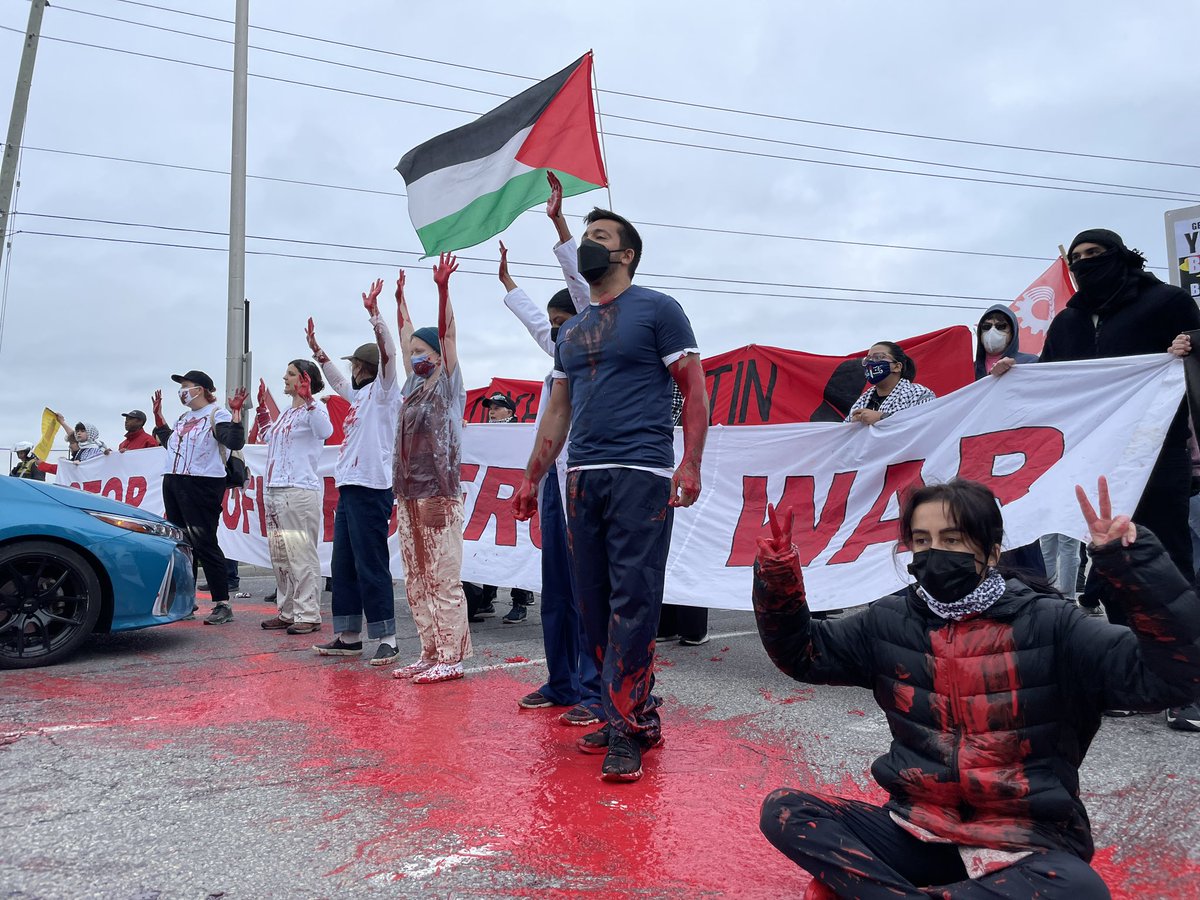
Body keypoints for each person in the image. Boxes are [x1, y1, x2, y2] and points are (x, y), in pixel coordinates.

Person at [753, 478, 1200, 899]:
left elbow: (1176, 676)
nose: (934, 553)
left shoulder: (1052, 625)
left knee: (1078, 889)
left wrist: (1133, 566)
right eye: (922, 541)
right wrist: (778, 574)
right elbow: (804, 654)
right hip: (917, 829)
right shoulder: (887, 621)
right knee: (787, 810)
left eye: (952, 540)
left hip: (1023, 843)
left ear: (992, 550)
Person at [513, 207, 709, 782]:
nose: (587, 245)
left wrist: (690, 462)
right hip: (582, 476)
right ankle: (626, 710)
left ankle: (628, 727)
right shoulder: (571, 331)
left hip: (640, 472)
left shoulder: (659, 310)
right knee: (592, 602)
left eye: (599, 237)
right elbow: (558, 409)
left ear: (626, 255)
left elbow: (694, 388)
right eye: (584, 237)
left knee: (634, 600)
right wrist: (532, 475)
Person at [997, 228, 1200, 730]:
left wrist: (1191, 343)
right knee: (1109, 561)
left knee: (1166, 558)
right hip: (1093, 461)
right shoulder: (1068, 321)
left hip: (1156, 454)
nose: (1086, 262)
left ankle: (1189, 683)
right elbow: (1051, 379)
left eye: (1096, 254)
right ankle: (1133, 673)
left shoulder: (1166, 301)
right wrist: (1015, 373)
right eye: (1078, 257)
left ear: (1121, 255)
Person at [498, 177, 603, 726]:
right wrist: (508, 284)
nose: (558, 333)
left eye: (566, 324)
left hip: (587, 479)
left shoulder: (596, 342)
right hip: (553, 484)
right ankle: (561, 680)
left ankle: (593, 686)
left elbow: (581, 293)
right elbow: (538, 322)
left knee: (588, 589)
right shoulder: (560, 354)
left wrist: (561, 226)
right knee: (556, 587)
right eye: (555, 328)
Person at [307, 281, 402, 665]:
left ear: (365, 367)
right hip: (349, 488)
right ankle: (349, 636)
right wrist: (319, 353)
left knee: (371, 563)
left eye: (355, 364)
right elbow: (336, 381)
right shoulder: (360, 395)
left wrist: (375, 316)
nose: (351, 370)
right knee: (342, 564)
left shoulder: (385, 392)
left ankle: (388, 637)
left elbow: (389, 354)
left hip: (372, 488)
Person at [390, 256, 472, 685]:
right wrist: (398, 302)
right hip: (408, 493)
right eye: (412, 354)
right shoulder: (412, 387)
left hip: (439, 494)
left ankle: (452, 656)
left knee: (442, 576)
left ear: (438, 355)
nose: (415, 358)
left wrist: (443, 291)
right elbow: (405, 335)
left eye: (422, 352)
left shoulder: (448, 383)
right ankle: (429, 651)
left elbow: (448, 333)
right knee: (416, 577)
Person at [151, 370, 247, 625]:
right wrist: (160, 421)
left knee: (204, 542)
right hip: (174, 480)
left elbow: (234, 442)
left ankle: (222, 603)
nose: (182, 391)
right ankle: (185, 600)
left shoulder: (217, 414)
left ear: (201, 389)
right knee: (181, 542)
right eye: (181, 387)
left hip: (202, 483)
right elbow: (172, 445)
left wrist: (237, 415)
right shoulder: (183, 418)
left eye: (186, 385)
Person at [256, 360, 333, 636]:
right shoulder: (287, 414)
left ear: (305, 379)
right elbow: (268, 437)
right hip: (275, 489)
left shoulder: (316, 409)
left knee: (301, 555)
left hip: (299, 490)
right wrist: (261, 411)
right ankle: (287, 611)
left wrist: (310, 399)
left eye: (290, 374)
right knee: (281, 556)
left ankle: (308, 614)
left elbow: (326, 432)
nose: (284, 378)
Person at [970, 307, 1047, 580]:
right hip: (977, 462)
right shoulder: (967, 370)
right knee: (981, 527)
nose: (993, 332)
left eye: (1001, 326)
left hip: (1018, 459)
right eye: (986, 326)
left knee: (1019, 528)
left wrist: (1016, 376)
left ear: (1013, 331)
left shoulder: (1029, 364)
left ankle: (1032, 587)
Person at [465, 392, 535, 624]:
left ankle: (520, 602)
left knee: (517, 548)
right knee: (487, 546)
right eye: (490, 408)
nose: (492, 412)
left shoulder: (522, 433)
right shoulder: (486, 433)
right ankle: (486, 599)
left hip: (514, 498)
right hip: (490, 499)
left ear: (510, 412)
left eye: (497, 408)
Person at [845, 342, 935, 426]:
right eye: (868, 359)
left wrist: (881, 418)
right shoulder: (861, 402)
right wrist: (851, 427)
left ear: (897, 367)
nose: (871, 363)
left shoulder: (919, 394)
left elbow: (927, 424)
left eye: (878, 357)